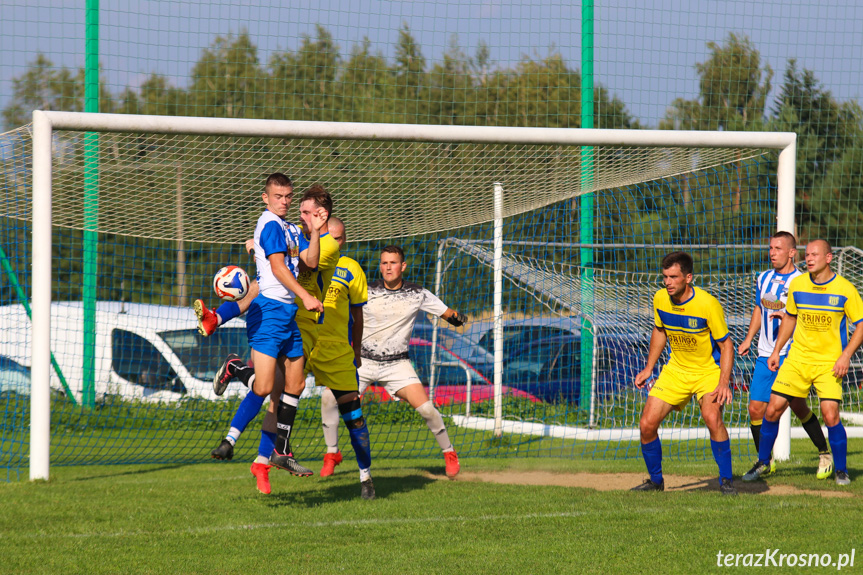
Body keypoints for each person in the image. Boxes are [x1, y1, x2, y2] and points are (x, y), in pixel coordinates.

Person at [205, 176, 334, 492]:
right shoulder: (270, 224)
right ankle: (236, 370)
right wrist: (305, 296)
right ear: (265, 198)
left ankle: (280, 450)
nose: (285, 201)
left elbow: (310, 263)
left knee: (296, 383)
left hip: (286, 313)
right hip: (269, 313)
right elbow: (277, 268)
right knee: (264, 387)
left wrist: (315, 231)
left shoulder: (290, 229)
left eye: (288, 196)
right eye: (278, 196)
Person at [322, 245, 467, 479]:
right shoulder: (364, 290)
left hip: (397, 364)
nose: (388, 267)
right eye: (384, 263)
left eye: (393, 262)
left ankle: (449, 453)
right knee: (329, 397)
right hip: (363, 362)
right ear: (380, 266)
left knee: (427, 409)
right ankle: (332, 454)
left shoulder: (417, 293)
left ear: (403, 266)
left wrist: (459, 319)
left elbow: (447, 313)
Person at [743, 240, 863, 485]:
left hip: (829, 362)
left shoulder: (844, 288)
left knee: (831, 415)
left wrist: (846, 355)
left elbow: (861, 325)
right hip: (797, 358)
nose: (809, 259)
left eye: (815, 254)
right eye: (807, 254)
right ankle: (764, 461)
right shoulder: (798, 284)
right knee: (772, 408)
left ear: (828, 258)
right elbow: (790, 319)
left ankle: (841, 469)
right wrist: (777, 351)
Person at [632, 251, 737, 495]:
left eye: (673, 277)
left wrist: (724, 383)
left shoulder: (707, 304)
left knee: (712, 419)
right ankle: (656, 482)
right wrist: (649, 368)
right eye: (665, 277)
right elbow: (660, 331)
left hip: (707, 371)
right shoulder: (660, 298)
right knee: (647, 424)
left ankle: (726, 481)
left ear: (688, 277)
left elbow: (726, 344)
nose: (667, 282)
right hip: (676, 370)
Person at [736, 231, 832, 478]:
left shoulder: (802, 281)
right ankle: (764, 461)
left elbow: (811, 319)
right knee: (756, 408)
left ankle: (824, 452)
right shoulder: (764, 277)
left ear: (791, 252)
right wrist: (749, 338)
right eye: (770, 248)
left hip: (792, 355)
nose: (772, 253)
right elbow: (758, 308)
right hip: (764, 354)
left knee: (796, 407)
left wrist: (791, 319)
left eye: (778, 248)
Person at [308, 218, 375, 499]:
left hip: (337, 351)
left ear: (343, 241)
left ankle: (366, 479)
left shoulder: (350, 269)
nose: (332, 244)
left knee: (355, 417)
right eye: (327, 238)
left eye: (337, 239)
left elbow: (358, 315)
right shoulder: (306, 262)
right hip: (307, 343)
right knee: (272, 389)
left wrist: (357, 350)